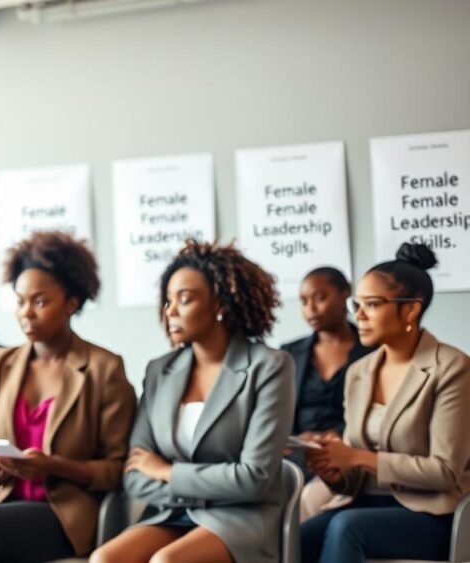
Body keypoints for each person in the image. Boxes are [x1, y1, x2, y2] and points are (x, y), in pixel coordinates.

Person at [0, 231, 137, 562]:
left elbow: (118, 469)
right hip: (1, 503)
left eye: (40, 301)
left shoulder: (104, 369)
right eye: (20, 301)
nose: (27, 312)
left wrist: (55, 466)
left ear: (72, 303)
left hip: (65, 515)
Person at [92, 239, 294, 563]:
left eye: (184, 299)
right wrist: (192, 488)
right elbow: (135, 475)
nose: (170, 311)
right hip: (173, 512)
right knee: (104, 559)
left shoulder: (268, 366)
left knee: (167, 561)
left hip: (242, 518)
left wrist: (168, 472)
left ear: (220, 306)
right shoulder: (160, 370)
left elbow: (254, 478)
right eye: (168, 300)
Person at [301, 243, 470, 562]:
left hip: (432, 515)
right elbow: (354, 479)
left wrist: (360, 457)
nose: (359, 316)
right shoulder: (359, 372)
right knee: (296, 537)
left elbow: (445, 471)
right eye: (357, 305)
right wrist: (333, 470)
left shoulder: (453, 368)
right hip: (364, 505)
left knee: (346, 527)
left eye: (373, 305)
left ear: (410, 310)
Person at [281, 268, 375, 478]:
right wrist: (297, 438)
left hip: (350, 451)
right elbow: (275, 412)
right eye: (304, 302)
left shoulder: (374, 353)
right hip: (297, 450)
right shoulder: (289, 353)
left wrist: (339, 435)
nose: (311, 309)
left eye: (320, 298)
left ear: (345, 295)